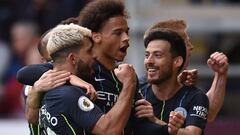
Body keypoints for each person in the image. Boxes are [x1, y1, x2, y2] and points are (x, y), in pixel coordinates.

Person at [27, 23, 137, 135]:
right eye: (89, 51)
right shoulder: (68, 94)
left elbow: (32, 118)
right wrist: (129, 84)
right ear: (73, 58)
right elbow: (108, 130)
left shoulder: (44, 88)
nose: (94, 56)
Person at [143, 19, 229, 122]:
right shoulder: (137, 90)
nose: (191, 47)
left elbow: (208, 113)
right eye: (187, 43)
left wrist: (220, 74)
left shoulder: (190, 92)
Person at [134, 28, 209, 135]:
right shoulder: (136, 91)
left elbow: (193, 133)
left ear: (177, 61)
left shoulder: (195, 96)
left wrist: (155, 121)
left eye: (157, 55)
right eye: (147, 55)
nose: (149, 61)